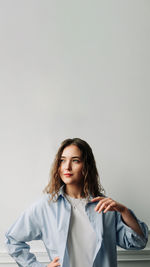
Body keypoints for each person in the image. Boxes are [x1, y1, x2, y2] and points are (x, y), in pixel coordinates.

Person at [5, 138, 148, 267]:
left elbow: (138, 242)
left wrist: (125, 212)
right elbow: (13, 240)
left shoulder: (105, 207)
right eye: (62, 160)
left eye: (75, 160)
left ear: (87, 166)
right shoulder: (46, 206)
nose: (67, 167)